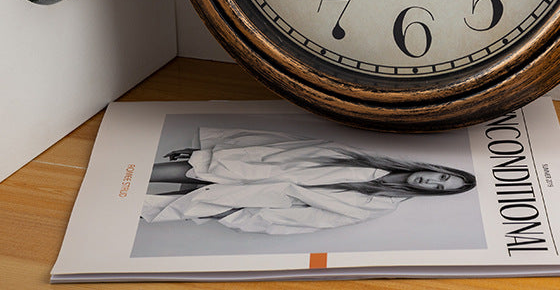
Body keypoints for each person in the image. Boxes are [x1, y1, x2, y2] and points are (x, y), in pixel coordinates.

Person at [140, 127, 476, 235]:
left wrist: (243, 217)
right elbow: (288, 147)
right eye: (442, 177)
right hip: (248, 166)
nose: (432, 182)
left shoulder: (378, 205)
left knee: (162, 204)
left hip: (262, 199)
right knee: (169, 171)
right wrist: (223, 147)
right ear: (436, 169)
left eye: (438, 188)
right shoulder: (366, 157)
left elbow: (312, 219)